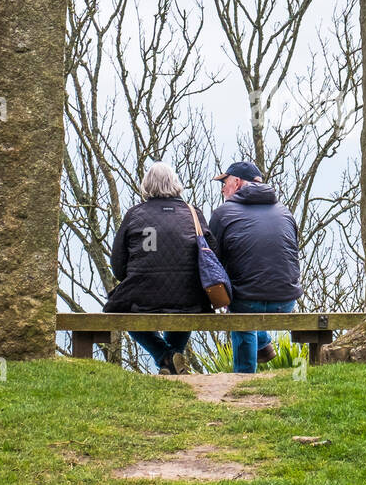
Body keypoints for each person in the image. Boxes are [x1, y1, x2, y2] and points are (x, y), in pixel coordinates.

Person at [105, 162, 215, 375]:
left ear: (146, 185)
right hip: (189, 296)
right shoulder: (194, 214)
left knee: (122, 309)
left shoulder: (134, 215)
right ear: (175, 184)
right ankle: (173, 359)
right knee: (184, 308)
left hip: (142, 294)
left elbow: (118, 266)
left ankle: (165, 357)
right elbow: (213, 255)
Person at [208, 160, 301, 373]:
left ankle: (244, 377)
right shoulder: (285, 212)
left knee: (241, 305)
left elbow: (212, 262)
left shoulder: (223, 214)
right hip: (286, 300)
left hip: (246, 302)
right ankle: (263, 344)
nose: (222, 188)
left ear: (238, 182)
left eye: (225, 182)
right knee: (247, 299)